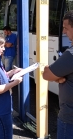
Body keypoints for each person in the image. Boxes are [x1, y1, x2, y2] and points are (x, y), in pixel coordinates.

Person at [42, 10, 73, 138]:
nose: (63, 32)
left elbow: (47, 74)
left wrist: (56, 76)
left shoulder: (71, 54)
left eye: (66, 28)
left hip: (70, 118)